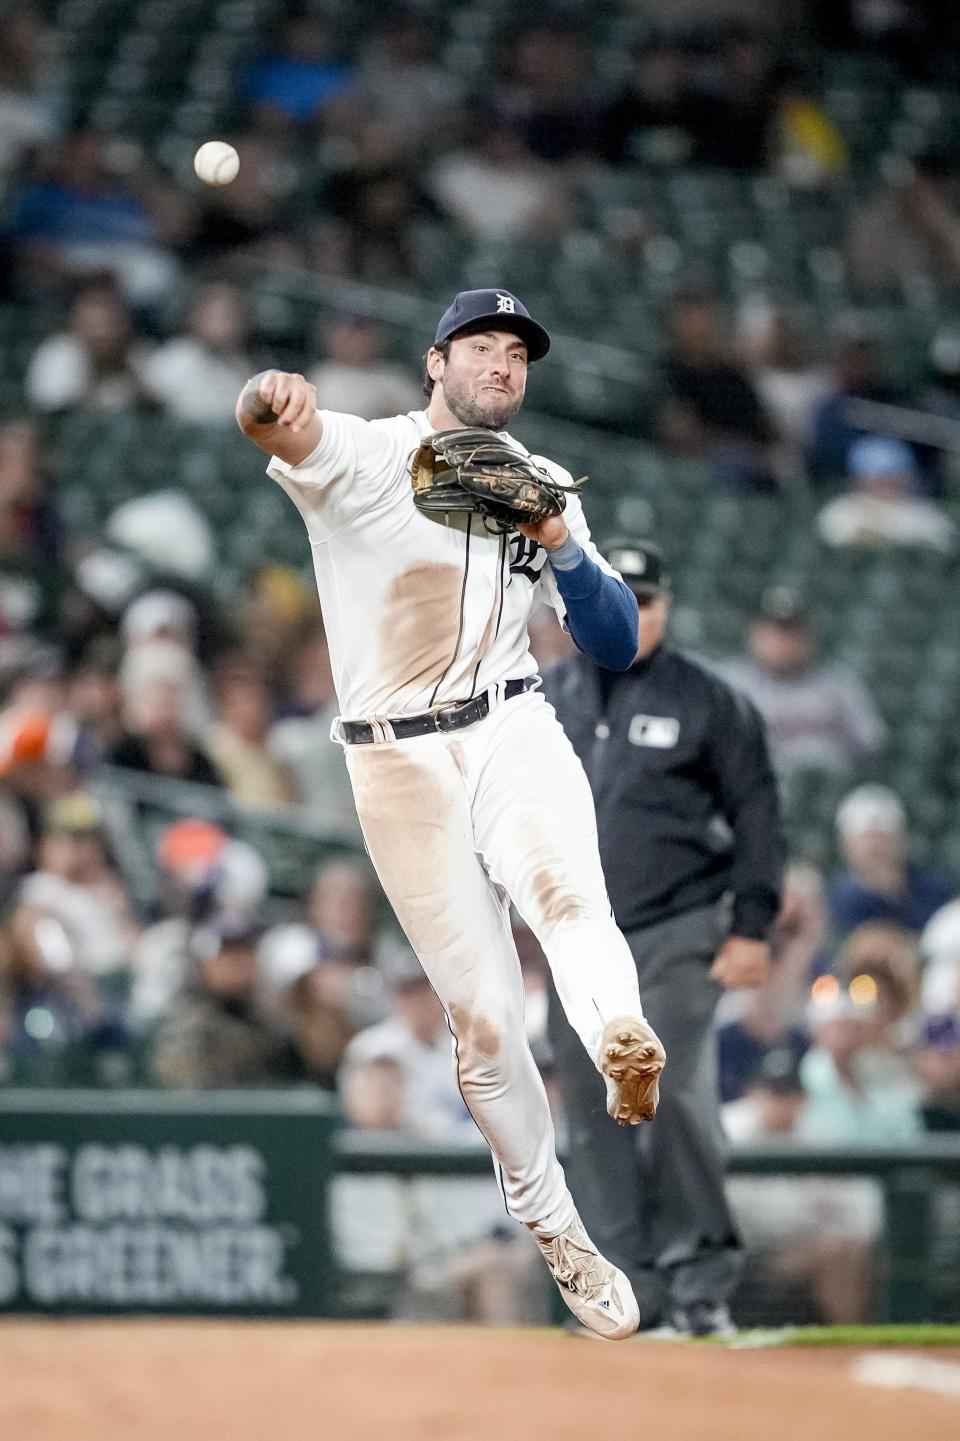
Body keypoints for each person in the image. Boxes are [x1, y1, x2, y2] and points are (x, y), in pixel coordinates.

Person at [235, 286, 666, 1341]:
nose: (503, 365)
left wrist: (561, 536)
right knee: (480, 1019)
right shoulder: (374, 455)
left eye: (519, 353)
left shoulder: (546, 479)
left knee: (566, 893)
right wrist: (268, 397)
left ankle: (620, 1035)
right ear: (437, 362)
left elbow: (612, 640)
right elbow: (280, 424)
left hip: (514, 721)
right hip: (397, 762)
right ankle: (556, 1226)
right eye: (482, 346)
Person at [541, 538, 784, 1336]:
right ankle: (623, 1287)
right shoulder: (545, 696)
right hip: (578, 932)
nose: (637, 615)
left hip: (677, 922)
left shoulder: (708, 699)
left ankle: (699, 1279)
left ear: (668, 606)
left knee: (670, 1087)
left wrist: (752, 924)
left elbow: (757, 814)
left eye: (649, 602)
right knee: (588, 1104)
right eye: (624, 598)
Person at [718, 585, 886, 777]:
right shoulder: (728, 684)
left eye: (791, 629)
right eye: (773, 629)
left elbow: (871, 747)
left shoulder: (839, 684)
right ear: (753, 634)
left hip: (830, 794)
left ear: (809, 635)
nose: (782, 640)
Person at [830, 784, 954, 937]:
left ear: (900, 838)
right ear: (846, 845)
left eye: (882, 837)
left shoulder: (931, 887)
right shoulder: (841, 901)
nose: (874, 847)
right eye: (865, 839)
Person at [817, 435, 957, 554]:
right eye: (878, 477)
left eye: (893, 476)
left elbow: (944, 547)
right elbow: (836, 541)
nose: (887, 483)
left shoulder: (925, 514)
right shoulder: (841, 510)